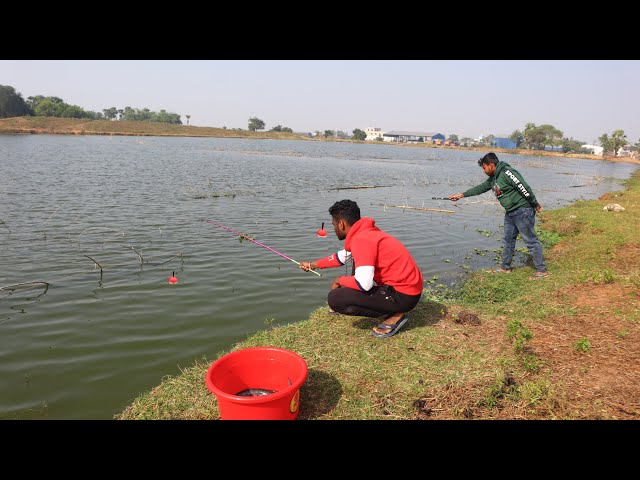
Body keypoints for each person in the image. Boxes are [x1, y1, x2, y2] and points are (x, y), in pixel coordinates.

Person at [299, 199, 424, 338]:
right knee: (354, 267)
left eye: (334, 225)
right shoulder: (366, 233)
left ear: (341, 224)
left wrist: (339, 280)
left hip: (402, 296)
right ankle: (391, 307)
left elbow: (364, 284)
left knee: (335, 299)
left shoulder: (361, 240)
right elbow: (343, 257)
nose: (334, 229)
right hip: (409, 291)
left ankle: (396, 314)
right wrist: (312, 265)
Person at [448, 152, 548, 279]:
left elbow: (524, 187)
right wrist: (461, 195)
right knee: (508, 240)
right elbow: (481, 188)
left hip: (523, 210)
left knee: (530, 240)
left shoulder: (507, 172)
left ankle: (541, 270)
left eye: (484, 168)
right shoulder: (494, 177)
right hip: (511, 212)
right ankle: (505, 268)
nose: (484, 171)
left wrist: (535, 204)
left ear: (491, 165)